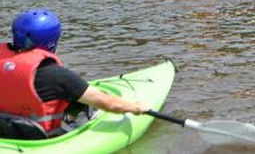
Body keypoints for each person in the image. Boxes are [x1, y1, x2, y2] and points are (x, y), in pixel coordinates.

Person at [0, 9, 149, 139]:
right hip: (39, 139)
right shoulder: (57, 76)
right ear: (52, 42)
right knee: (89, 109)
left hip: (6, 130)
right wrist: (136, 108)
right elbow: (109, 103)